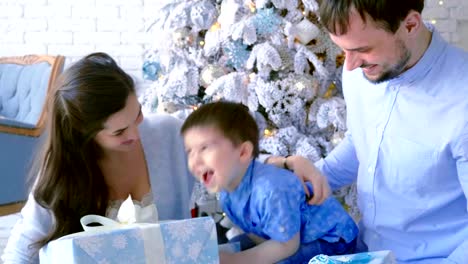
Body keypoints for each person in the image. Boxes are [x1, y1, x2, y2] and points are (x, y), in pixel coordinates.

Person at [271, 0, 468, 263]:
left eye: (362, 50)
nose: (350, 65)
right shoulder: (362, 70)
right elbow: (363, 142)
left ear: (410, 25)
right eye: (344, 50)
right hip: (364, 249)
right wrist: (307, 183)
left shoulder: (462, 99)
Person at [1, 52, 194, 263]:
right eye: (119, 132)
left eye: (137, 114)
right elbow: (20, 253)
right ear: (85, 134)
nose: (135, 135)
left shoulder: (170, 133)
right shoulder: (63, 171)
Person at [181, 101, 359, 264]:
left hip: (331, 239)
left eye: (204, 148)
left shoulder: (270, 190)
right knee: (234, 245)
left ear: (243, 153)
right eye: (190, 151)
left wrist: (239, 260)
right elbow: (255, 233)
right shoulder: (227, 194)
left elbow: (287, 246)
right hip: (285, 235)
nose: (194, 160)